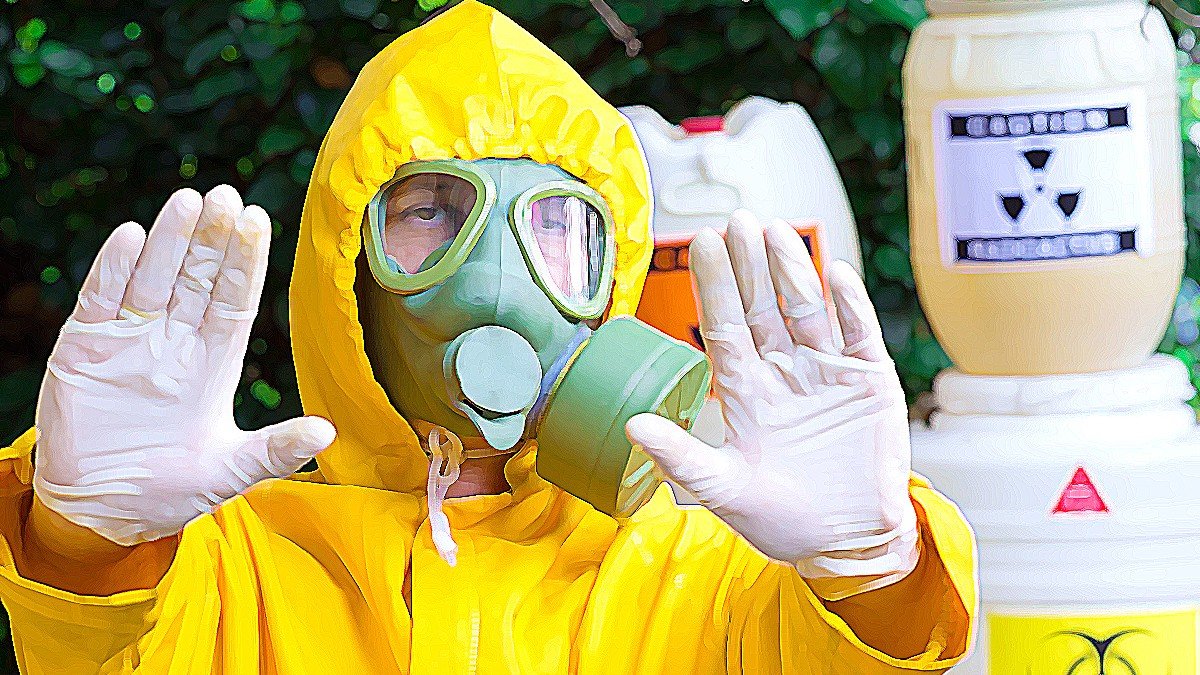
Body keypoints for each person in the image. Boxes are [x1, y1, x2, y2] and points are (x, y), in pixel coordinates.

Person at [0, 2, 975, 672]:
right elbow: (103, 652)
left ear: (613, 279)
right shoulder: (227, 568)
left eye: (557, 226)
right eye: (430, 211)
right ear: (346, 268)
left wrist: (869, 573)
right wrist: (90, 544)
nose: (499, 278)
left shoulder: (704, 572)